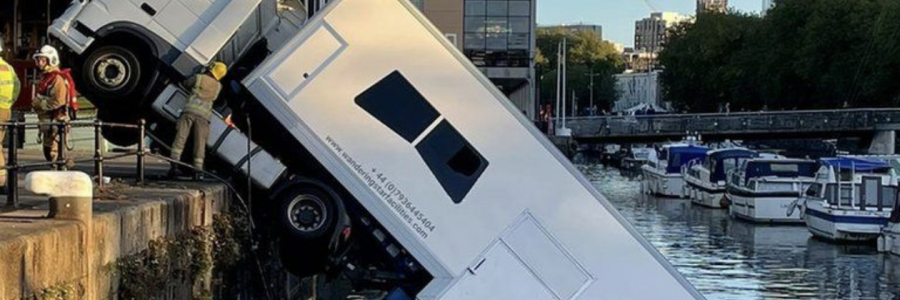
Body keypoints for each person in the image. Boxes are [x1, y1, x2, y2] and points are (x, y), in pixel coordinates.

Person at [169, 62, 226, 180]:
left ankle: (174, 166)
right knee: (200, 144)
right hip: (204, 117)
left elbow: (185, 84)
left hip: (189, 112)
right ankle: (198, 171)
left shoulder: (199, 78)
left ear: (211, 69)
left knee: (180, 138)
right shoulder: (218, 86)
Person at [32, 45, 75, 170]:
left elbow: (58, 101)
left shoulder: (57, 79)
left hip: (57, 120)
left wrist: (39, 103)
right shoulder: (46, 78)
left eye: (43, 60)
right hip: (47, 121)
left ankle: (61, 172)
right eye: (38, 60)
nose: (39, 63)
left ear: (52, 60)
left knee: (54, 151)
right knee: (47, 150)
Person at [0, 42, 21, 193]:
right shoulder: (8, 67)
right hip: (5, 110)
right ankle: (1, 180)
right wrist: (8, 104)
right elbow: (17, 86)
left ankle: (1, 182)